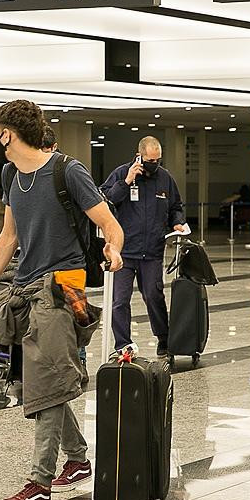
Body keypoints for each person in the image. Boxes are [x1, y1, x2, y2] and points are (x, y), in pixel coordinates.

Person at [0, 99, 124, 500]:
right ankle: (78, 457)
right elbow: (10, 236)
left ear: (8, 134)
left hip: (66, 286)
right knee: (22, 382)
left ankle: (39, 482)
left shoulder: (68, 171)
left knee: (47, 382)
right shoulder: (10, 173)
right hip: (27, 283)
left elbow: (110, 224)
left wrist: (114, 248)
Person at [100, 136, 186, 354]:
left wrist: (177, 222)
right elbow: (106, 201)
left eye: (157, 160)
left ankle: (164, 339)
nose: (154, 164)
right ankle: (122, 344)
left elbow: (176, 205)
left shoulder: (165, 178)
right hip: (124, 251)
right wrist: (126, 182)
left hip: (152, 250)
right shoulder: (121, 173)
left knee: (154, 296)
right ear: (139, 156)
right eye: (149, 160)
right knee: (120, 300)